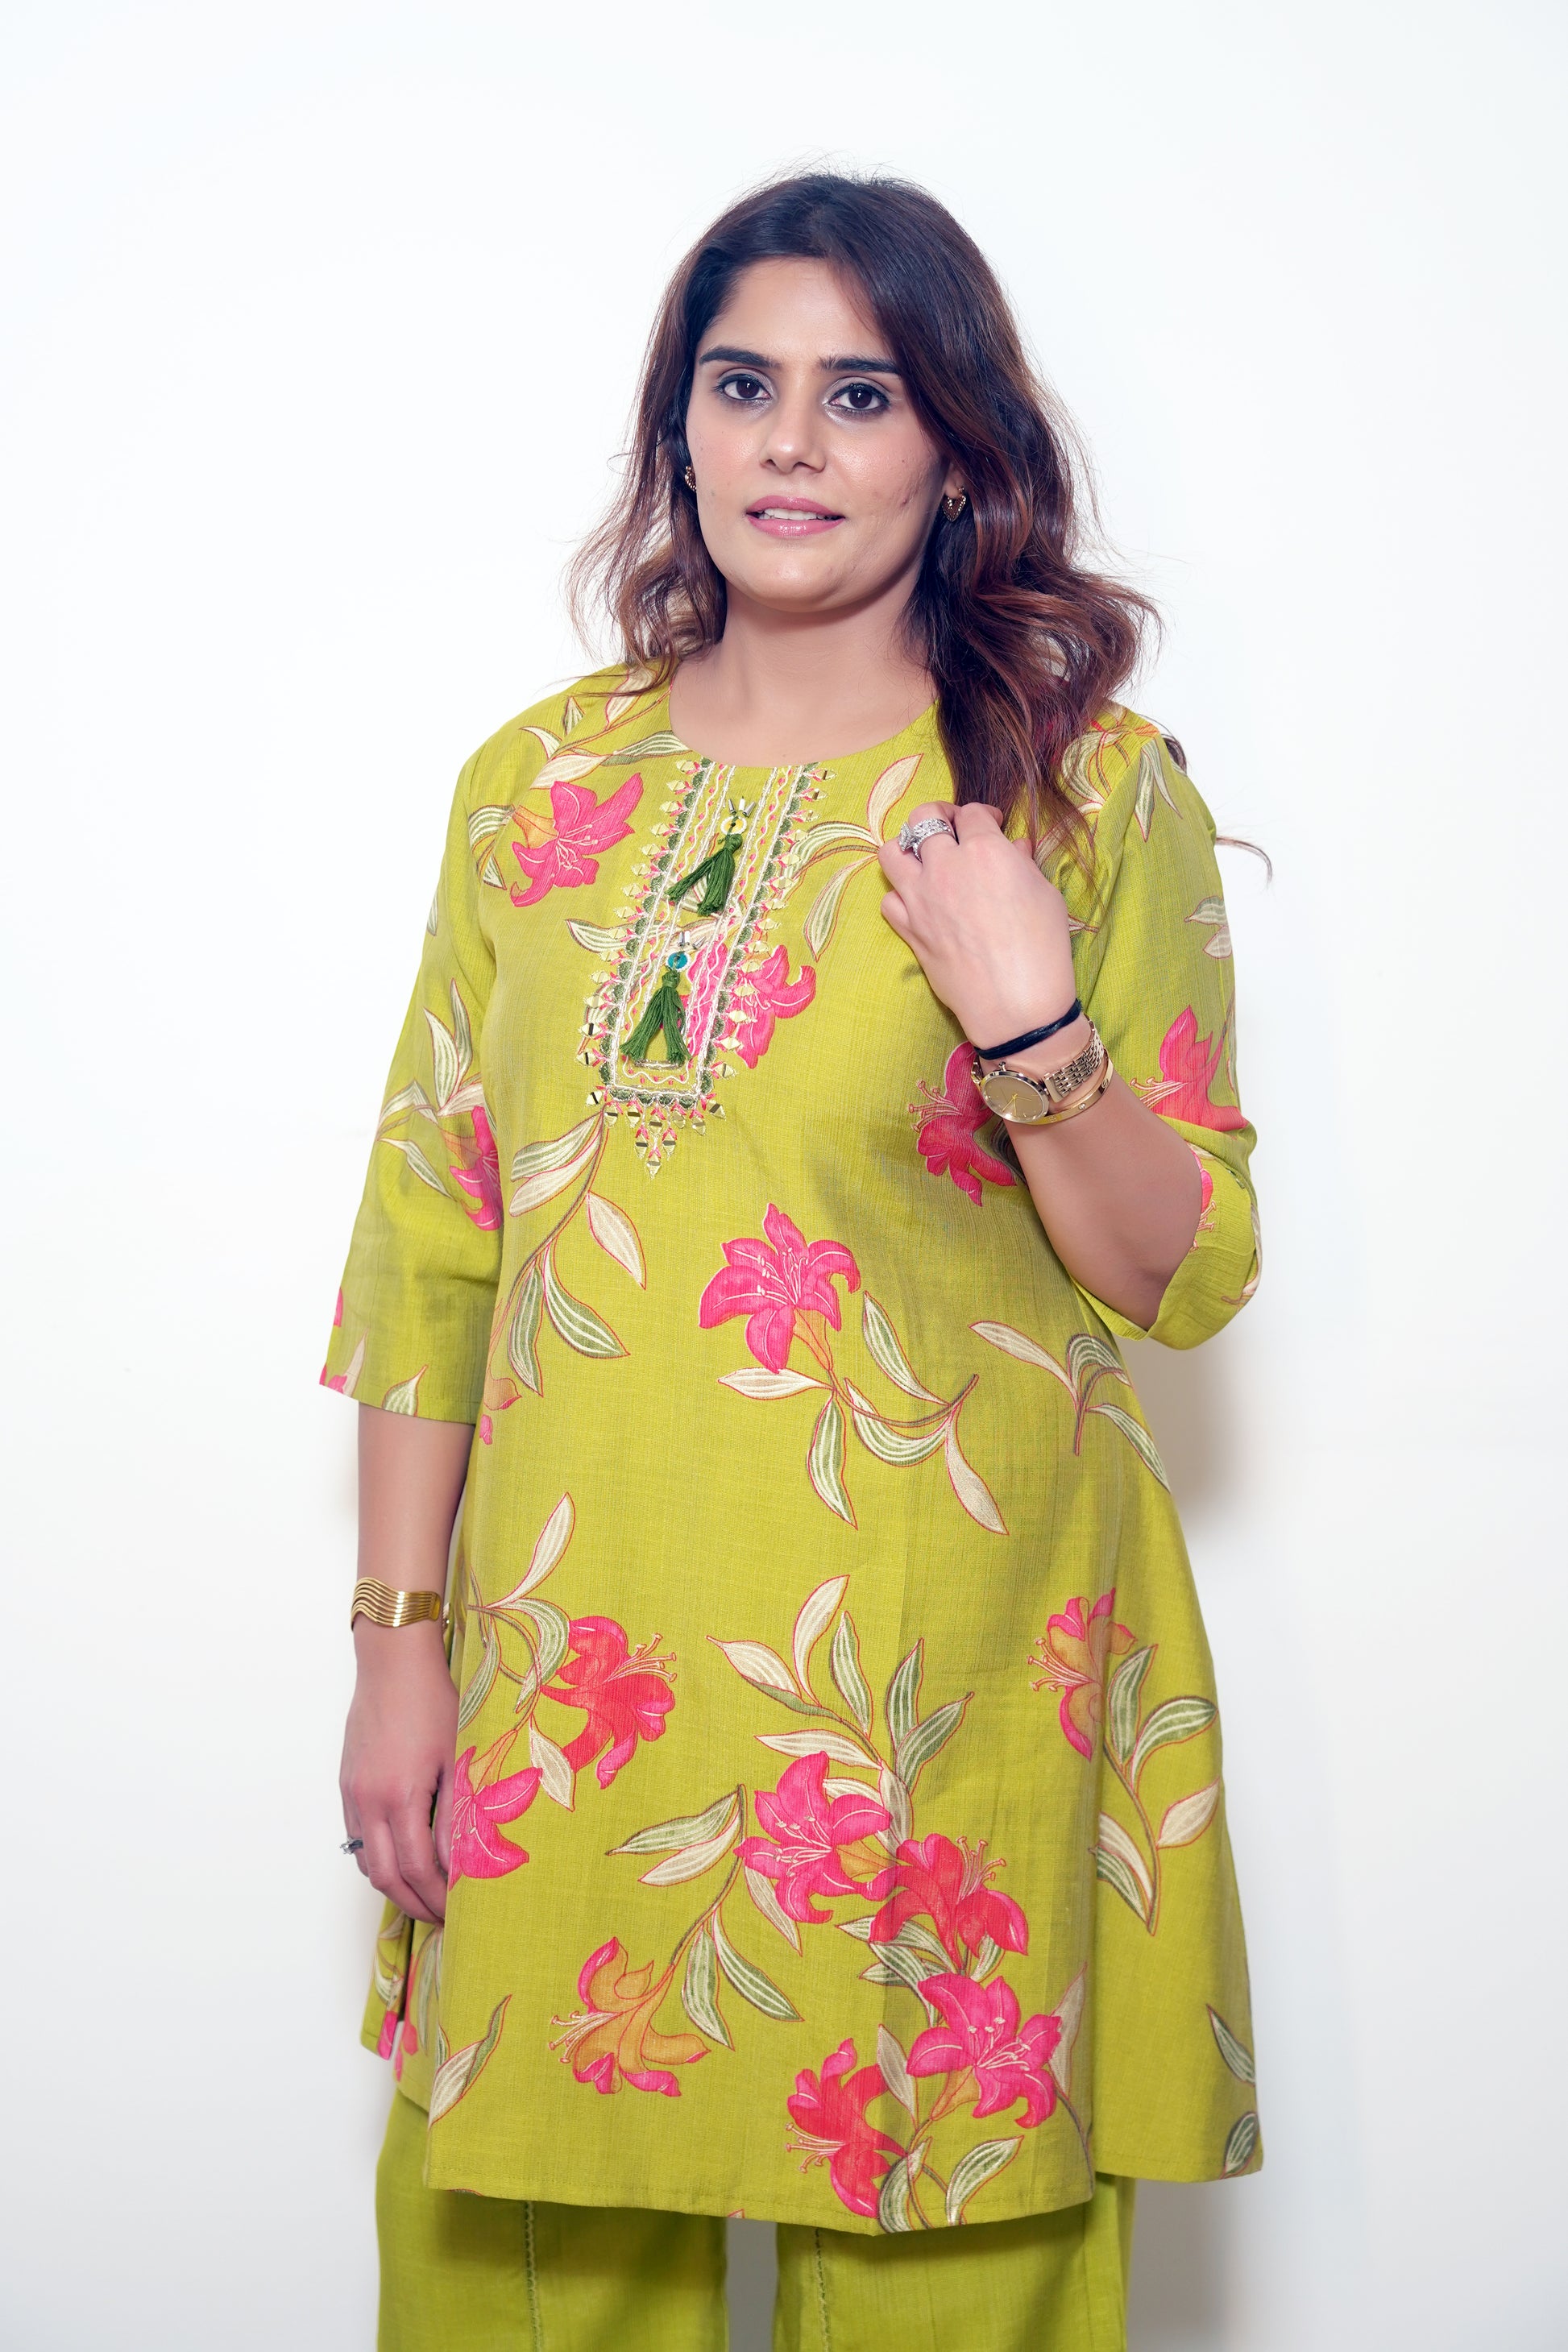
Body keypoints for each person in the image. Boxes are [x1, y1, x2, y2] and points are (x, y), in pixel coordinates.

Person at [327, 170, 1262, 2352]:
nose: (791, 445)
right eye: (743, 386)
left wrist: (1032, 1022)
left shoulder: (1079, 797)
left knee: (947, 2257)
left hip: (945, 1690)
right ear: (678, 423)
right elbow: (431, 1240)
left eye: (862, 395)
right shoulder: (534, 790)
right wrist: (396, 1646)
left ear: (954, 446)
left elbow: (1185, 1271)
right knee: (518, 2280)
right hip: (575, 1697)